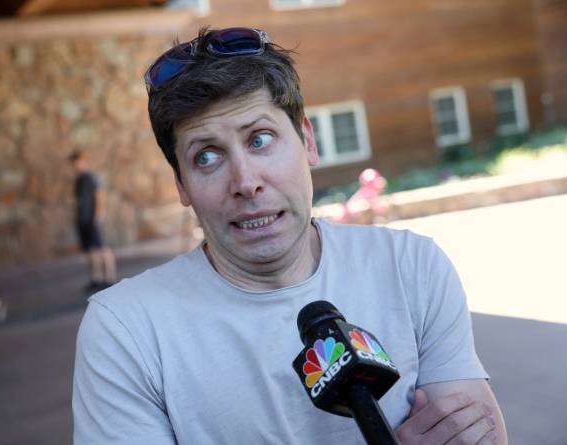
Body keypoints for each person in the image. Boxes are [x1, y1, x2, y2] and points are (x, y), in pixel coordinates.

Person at [73, 27, 507, 444]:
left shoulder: (412, 267)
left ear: (307, 141)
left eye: (260, 139)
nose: (245, 182)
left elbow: (479, 434)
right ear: (182, 185)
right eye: (207, 156)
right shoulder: (125, 331)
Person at [68, 150, 117, 291]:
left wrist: (98, 215)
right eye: (73, 164)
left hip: (93, 219)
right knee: (90, 250)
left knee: (102, 247)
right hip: (82, 220)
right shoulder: (78, 180)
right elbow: (77, 201)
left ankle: (110, 278)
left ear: (83, 161)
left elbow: (99, 195)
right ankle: (96, 279)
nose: (75, 166)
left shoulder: (91, 177)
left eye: (76, 162)